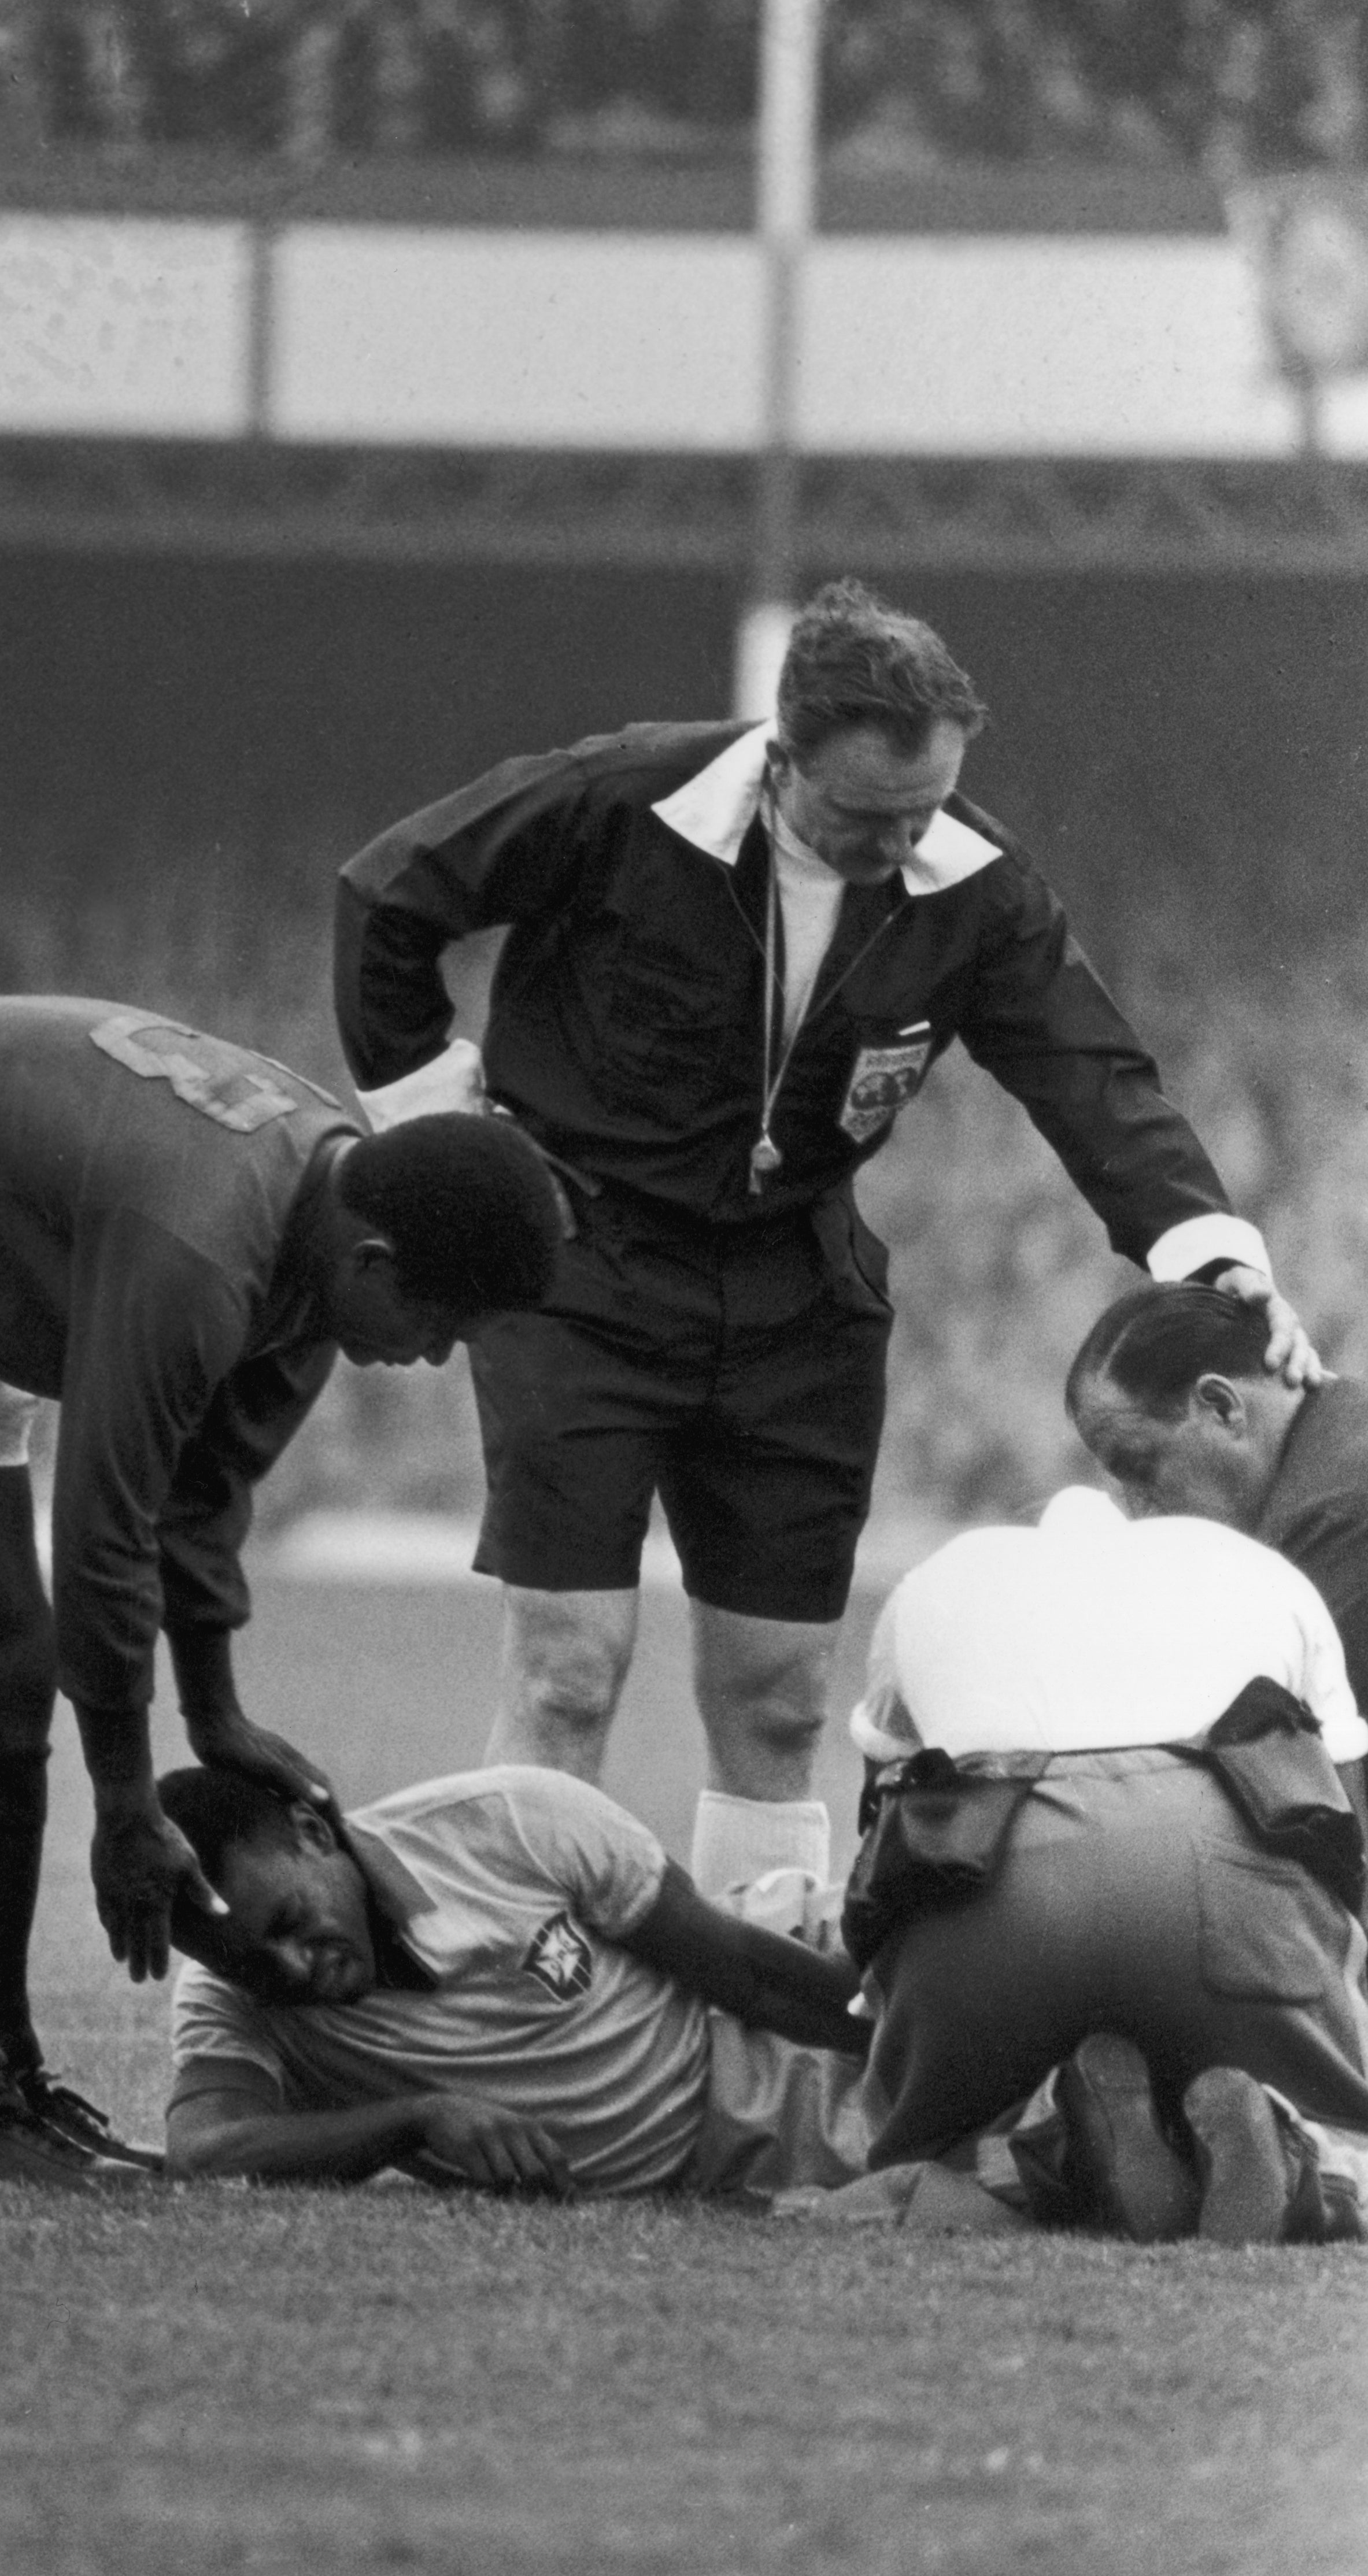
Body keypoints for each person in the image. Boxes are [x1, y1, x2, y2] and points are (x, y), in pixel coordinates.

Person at [333, 576, 1314, 1924]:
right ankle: (524, 2012)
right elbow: (385, 897)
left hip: (796, 1292)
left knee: (782, 1691)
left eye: (921, 809)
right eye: (863, 815)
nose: (898, 840)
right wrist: (444, 1132)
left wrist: (1204, 1254)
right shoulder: (616, 801)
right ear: (781, 752)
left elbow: (1091, 1078)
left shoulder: (966, 880)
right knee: (569, 1666)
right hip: (581, 1266)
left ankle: (758, 2044)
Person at [0, 996, 564, 2192]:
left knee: (4, 1673)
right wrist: (124, 1800)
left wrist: (213, 1711)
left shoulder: (324, 1231)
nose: (440, 1354)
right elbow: (103, 1530)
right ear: (377, 1264)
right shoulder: (204, 1249)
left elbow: (196, 1507)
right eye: (443, 1319)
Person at [843, 1483, 1368, 2244]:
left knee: (934, 2150)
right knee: (1344, 2123)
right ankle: (1297, 2153)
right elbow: (1343, 1817)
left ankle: (1048, 2146)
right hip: (1211, 1868)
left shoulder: (934, 1581)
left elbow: (880, 1822)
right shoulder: (1252, 1567)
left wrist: (886, 2001)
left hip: (987, 1892)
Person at [161, 1761, 870, 2199]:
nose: (290, 1966)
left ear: (312, 1834)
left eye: (290, 1919)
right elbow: (206, 2154)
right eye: (252, 1963)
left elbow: (748, 1975)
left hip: (801, 1976)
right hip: (752, 2132)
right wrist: (414, 2118)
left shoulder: (510, 1820)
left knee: (971, 2002)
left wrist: (914, 2034)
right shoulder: (228, 1995)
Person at [1066, 1282, 1368, 1772]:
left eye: (1142, 1469)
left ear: (1223, 1407)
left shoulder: (1333, 1521)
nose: (1141, 1514)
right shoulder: (1342, 1430)